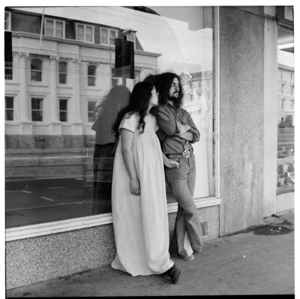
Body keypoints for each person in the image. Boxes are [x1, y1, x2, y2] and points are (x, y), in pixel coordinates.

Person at [111, 81, 180, 284]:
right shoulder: (130, 118)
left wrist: (166, 160)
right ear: (145, 96)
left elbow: (153, 144)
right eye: (154, 92)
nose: (157, 94)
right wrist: (133, 177)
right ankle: (144, 259)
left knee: (152, 214)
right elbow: (125, 149)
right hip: (135, 173)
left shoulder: (151, 119)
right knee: (133, 215)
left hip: (151, 173)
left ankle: (158, 258)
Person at [154, 72, 203, 262]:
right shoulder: (159, 110)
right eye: (172, 84)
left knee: (184, 208)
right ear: (164, 88)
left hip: (190, 161)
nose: (177, 88)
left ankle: (178, 249)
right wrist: (182, 129)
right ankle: (198, 244)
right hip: (174, 164)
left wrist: (180, 129)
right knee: (190, 208)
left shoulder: (183, 112)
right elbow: (170, 128)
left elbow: (196, 136)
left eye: (178, 84)